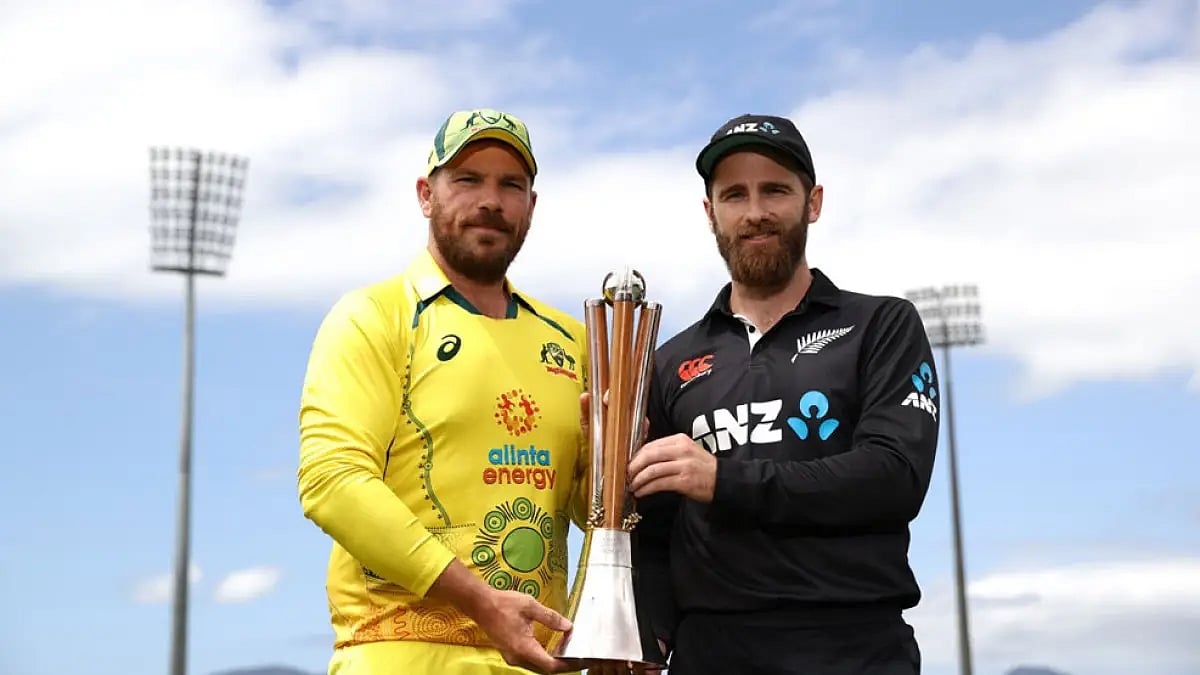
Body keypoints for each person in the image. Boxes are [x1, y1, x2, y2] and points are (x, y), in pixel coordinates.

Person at [626, 114, 941, 674]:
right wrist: (648, 632)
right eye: (735, 195)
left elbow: (894, 477)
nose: (755, 213)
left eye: (775, 190)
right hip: (710, 652)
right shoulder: (669, 360)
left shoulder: (882, 325)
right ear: (710, 213)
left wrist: (724, 480)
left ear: (812, 202)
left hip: (854, 646)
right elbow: (650, 528)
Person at [297, 108, 592, 675]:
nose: (491, 200)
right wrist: (482, 603)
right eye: (467, 179)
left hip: (537, 660)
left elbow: (586, 509)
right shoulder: (374, 316)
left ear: (532, 205)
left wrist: (613, 464)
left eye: (511, 184)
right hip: (401, 653)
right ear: (425, 195)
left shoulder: (573, 340)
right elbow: (331, 481)